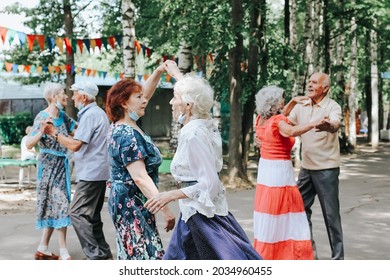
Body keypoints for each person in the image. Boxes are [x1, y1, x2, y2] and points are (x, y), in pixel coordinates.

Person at [145, 64, 262, 260]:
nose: (171, 102)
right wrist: (176, 75)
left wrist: (170, 195)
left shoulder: (193, 134)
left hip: (202, 215)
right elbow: (194, 93)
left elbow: (210, 184)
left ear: (188, 105)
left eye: (175, 97)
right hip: (193, 211)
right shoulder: (204, 124)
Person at [105, 63, 176, 260]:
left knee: (137, 253)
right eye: (139, 98)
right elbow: (140, 177)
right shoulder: (126, 134)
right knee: (142, 255)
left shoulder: (125, 125)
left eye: (144, 96)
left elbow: (144, 93)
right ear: (124, 103)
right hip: (130, 203)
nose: (145, 100)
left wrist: (159, 70)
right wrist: (165, 208)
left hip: (136, 201)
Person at [253, 85, 329, 260]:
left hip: (266, 169)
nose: (283, 101)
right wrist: (313, 123)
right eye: (281, 99)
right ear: (274, 104)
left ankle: (270, 249)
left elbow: (282, 116)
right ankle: (287, 252)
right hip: (279, 170)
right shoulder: (278, 121)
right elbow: (291, 130)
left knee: (271, 210)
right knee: (285, 208)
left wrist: (293, 101)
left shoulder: (260, 120)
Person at [45, 81, 113, 260]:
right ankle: (104, 255)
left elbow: (75, 145)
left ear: (83, 96)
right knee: (92, 216)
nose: (72, 97)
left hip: (91, 173)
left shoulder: (90, 115)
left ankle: (94, 256)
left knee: (76, 213)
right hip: (98, 172)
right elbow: (81, 137)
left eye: (74, 93)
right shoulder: (94, 113)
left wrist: (54, 133)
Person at [284, 72, 344, 260]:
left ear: (325, 88)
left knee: (331, 216)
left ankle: (338, 259)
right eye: (309, 81)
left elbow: (335, 123)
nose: (309, 85)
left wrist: (329, 126)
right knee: (299, 211)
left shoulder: (332, 106)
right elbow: (284, 123)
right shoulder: (302, 106)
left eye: (314, 82)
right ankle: (310, 256)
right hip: (306, 169)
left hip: (326, 169)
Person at [26, 82, 77, 260]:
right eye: (63, 93)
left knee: (54, 206)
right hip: (47, 167)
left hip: (61, 166)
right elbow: (29, 144)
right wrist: (41, 131)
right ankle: (63, 251)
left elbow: (77, 130)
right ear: (54, 97)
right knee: (61, 204)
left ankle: (43, 248)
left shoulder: (63, 116)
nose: (66, 96)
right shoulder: (41, 117)